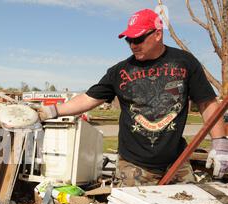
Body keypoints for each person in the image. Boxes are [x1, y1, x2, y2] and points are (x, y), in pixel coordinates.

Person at [38, 8, 228, 186]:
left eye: (138, 39)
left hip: (177, 161)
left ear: (158, 34)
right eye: (129, 40)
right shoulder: (120, 71)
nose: (133, 45)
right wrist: (51, 110)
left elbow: (207, 102)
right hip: (134, 165)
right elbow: (89, 98)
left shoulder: (185, 63)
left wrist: (220, 144)